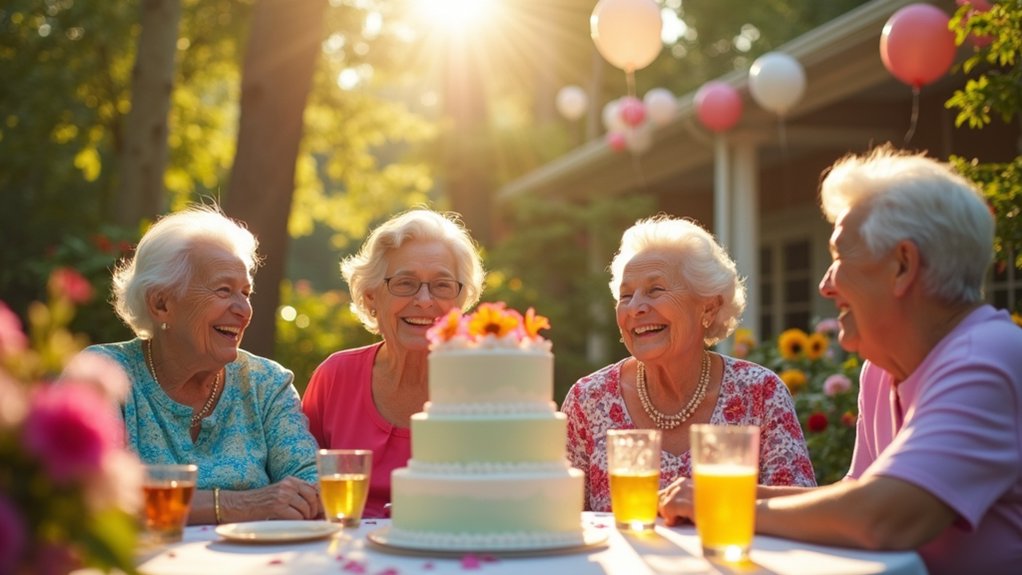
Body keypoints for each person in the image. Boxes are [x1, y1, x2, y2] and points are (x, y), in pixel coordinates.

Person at [659, 147, 1022, 575]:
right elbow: (859, 491)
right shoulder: (882, 368)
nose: (825, 285)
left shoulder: (987, 356)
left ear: (903, 265)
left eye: (839, 259)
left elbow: (883, 517)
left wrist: (724, 508)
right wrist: (719, 493)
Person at [562, 215, 816, 512]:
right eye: (626, 295)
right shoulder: (588, 400)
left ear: (708, 306)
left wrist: (712, 500)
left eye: (655, 290)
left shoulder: (760, 393)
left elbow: (801, 510)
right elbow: (557, 520)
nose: (635, 308)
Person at [85, 205, 320, 525]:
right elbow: (91, 494)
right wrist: (241, 505)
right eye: (224, 290)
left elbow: (312, 485)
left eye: (246, 292)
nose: (244, 310)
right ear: (161, 303)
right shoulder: (103, 376)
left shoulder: (265, 383)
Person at [301, 209, 485, 518]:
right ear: (371, 296)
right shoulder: (335, 378)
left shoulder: (488, 383)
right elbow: (303, 486)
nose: (425, 300)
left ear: (460, 300)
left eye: (442, 285)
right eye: (405, 283)